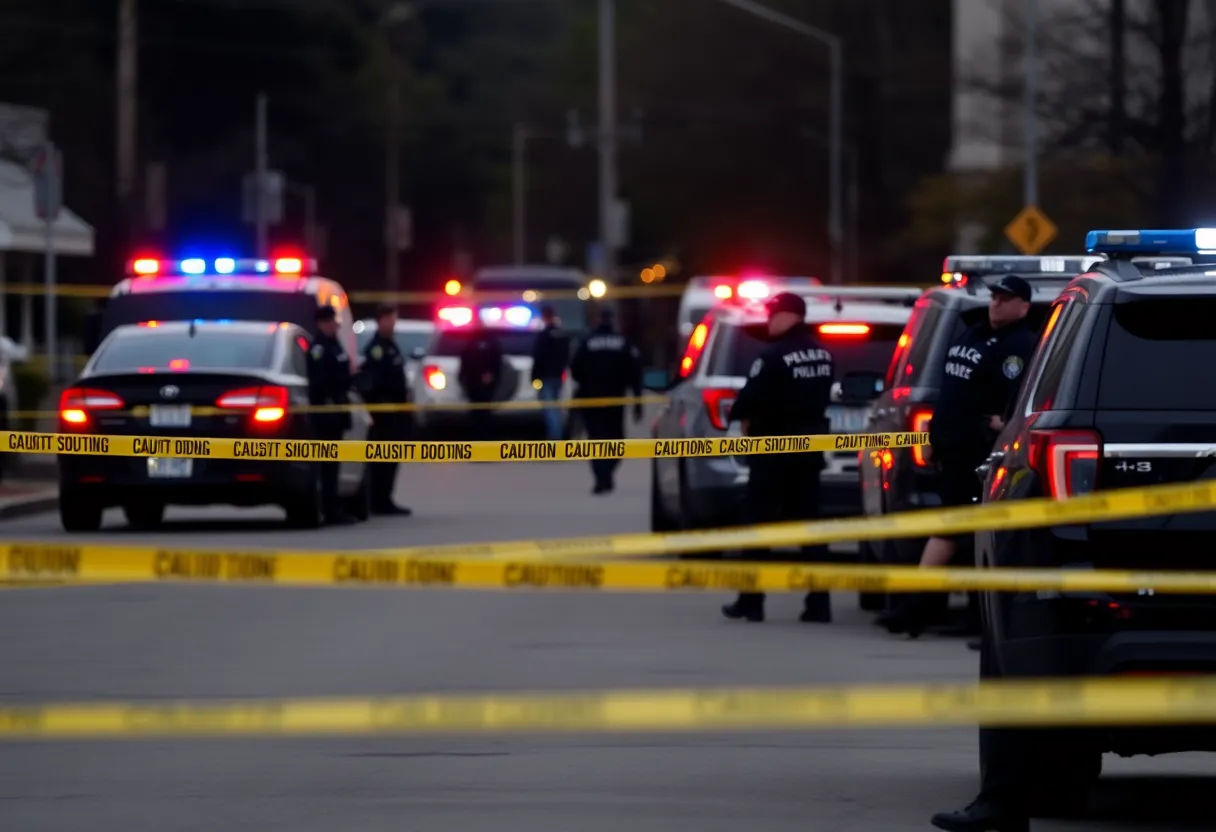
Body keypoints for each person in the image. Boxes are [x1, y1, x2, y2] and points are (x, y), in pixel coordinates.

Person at [879, 274, 1038, 641]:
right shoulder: (975, 332)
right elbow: (951, 391)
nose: (996, 302)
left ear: (1024, 306)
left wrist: (1001, 422)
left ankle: (917, 610)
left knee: (954, 530)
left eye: (1006, 298)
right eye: (995, 296)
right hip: (951, 447)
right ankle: (947, 613)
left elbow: (1016, 400)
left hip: (978, 451)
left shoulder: (1020, 346)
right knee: (961, 531)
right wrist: (933, 436)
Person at [720, 292, 835, 624]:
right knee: (811, 529)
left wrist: (743, 416)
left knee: (758, 526)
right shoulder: (823, 353)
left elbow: (748, 400)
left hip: (772, 452)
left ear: (788, 315)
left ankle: (751, 601)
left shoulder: (773, 355)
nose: (769, 321)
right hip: (809, 450)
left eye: (772, 314)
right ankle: (819, 603)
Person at [569, 308, 643, 494]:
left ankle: (602, 477)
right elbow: (635, 373)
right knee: (616, 440)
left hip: (591, 399)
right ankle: (606, 474)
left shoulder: (587, 342)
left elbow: (575, 369)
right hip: (615, 400)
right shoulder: (623, 342)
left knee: (595, 440)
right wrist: (637, 402)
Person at [360, 303, 412, 516]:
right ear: (380, 321)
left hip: (396, 412)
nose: (392, 324)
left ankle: (386, 497)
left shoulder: (391, 346)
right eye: (389, 319)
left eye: (394, 319)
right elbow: (373, 382)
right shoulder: (376, 349)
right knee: (381, 458)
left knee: (392, 458)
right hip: (383, 414)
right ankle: (378, 499)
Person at [307, 304, 356, 526]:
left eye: (333, 321)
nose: (333, 325)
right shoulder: (319, 348)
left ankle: (333, 507)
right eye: (328, 322)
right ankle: (327, 509)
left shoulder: (334, 345)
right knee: (326, 465)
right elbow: (319, 384)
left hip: (337, 412)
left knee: (333, 464)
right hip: (326, 416)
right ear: (320, 323)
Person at [458, 323, 505, 441]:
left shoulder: (473, 343)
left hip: (476, 383)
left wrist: (462, 377)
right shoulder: (487, 343)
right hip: (476, 384)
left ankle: (482, 439)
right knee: (480, 412)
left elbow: (464, 361)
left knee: (481, 412)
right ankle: (479, 439)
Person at [531, 304, 571, 441]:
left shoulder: (544, 335)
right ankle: (558, 435)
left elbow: (538, 356)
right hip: (558, 375)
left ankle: (554, 438)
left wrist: (534, 376)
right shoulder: (562, 334)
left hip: (546, 376)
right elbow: (566, 355)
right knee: (557, 407)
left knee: (549, 408)